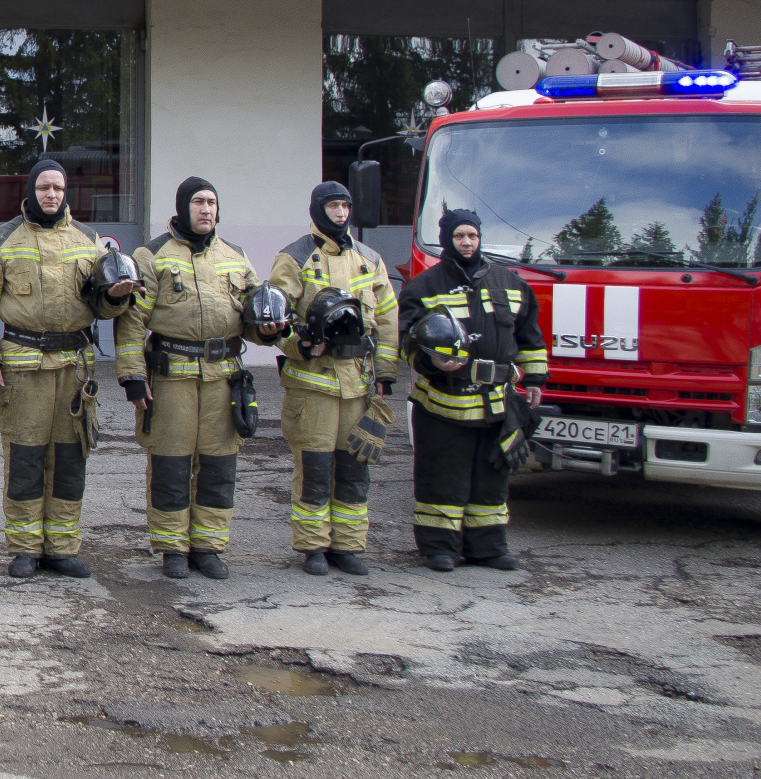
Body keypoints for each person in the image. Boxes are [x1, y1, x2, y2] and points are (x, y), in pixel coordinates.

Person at [0, 158, 136, 580]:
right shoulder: (2, 239)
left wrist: (116, 297)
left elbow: (103, 304)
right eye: (44, 188)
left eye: (58, 188)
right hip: (22, 367)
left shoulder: (89, 239)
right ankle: (24, 548)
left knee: (70, 458)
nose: (52, 195)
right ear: (31, 190)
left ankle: (61, 547)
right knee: (25, 457)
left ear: (66, 192)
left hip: (75, 369)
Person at [116, 178, 282, 581]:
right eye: (198, 202)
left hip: (224, 378)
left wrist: (271, 331)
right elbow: (131, 321)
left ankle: (209, 546)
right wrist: (133, 378)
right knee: (171, 463)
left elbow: (255, 314)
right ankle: (172, 546)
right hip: (171, 378)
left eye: (211, 202)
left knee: (219, 465)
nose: (206, 209)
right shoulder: (151, 254)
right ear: (182, 207)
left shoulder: (235, 256)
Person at [397, 208, 548, 573]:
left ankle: (489, 547)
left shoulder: (509, 283)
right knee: (441, 476)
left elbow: (529, 336)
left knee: (491, 476)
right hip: (443, 401)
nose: (467, 242)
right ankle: (439, 549)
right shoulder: (425, 286)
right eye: (460, 236)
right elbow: (407, 340)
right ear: (448, 238)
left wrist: (535, 379)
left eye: (473, 236)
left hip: (496, 401)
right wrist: (431, 364)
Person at [267, 181, 400, 577]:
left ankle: (348, 545)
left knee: (355, 466)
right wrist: (301, 346)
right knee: (315, 467)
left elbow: (389, 318)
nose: (341, 213)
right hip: (313, 384)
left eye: (345, 206)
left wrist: (387, 372)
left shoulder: (369, 258)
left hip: (358, 382)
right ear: (317, 211)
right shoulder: (295, 257)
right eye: (333, 207)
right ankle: (312, 547)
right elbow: (274, 316)